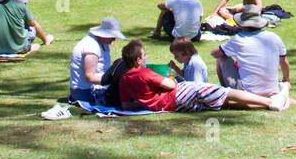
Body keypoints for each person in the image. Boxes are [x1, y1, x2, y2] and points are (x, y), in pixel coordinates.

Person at [119, 39, 287, 112]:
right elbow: (170, 86)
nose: (146, 58)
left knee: (221, 104)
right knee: (225, 92)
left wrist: (149, 103)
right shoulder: (143, 72)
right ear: (137, 60)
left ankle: (266, 106)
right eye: (144, 55)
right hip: (178, 95)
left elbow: (127, 106)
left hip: (171, 106)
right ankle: (270, 102)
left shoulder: (124, 80)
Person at [211, 5, 290, 100]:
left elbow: (214, 53)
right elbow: (284, 61)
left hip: (247, 92)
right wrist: (286, 79)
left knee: (221, 57)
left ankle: (227, 94)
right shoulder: (274, 37)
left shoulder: (239, 39)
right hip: (272, 90)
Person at [69, 16, 126, 104]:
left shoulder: (103, 43)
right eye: (112, 36)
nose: (114, 39)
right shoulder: (91, 47)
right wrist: (112, 79)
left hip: (96, 87)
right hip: (84, 91)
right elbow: (90, 77)